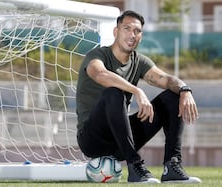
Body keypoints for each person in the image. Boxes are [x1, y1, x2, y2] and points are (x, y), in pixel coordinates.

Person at [76, 10, 201, 183]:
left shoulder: (139, 61)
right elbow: (100, 75)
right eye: (127, 28)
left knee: (173, 96)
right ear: (116, 32)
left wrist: (185, 90)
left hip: (120, 142)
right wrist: (137, 91)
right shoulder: (97, 56)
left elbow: (166, 79)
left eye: (137, 31)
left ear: (141, 36)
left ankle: (172, 166)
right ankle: (135, 166)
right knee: (113, 92)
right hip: (93, 139)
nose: (132, 34)